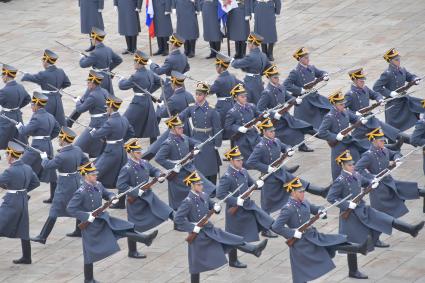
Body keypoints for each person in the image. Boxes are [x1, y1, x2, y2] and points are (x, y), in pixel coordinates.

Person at [327, 150, 425, 279]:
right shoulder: (340, 180)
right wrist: (346, 204)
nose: (352, 166)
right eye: (349, 164)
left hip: (362, 208)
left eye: (352, 163)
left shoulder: (355, 174)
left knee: (384, 218)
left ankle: (410, 229)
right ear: (343, 166)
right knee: (351, 242)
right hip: (350, 214)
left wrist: (372, 181)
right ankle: (353, 270)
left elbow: (365, 181)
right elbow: (331, 198)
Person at [67, 161, 158, 283]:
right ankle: (88, 279)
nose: (96, 176)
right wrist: (86, 216)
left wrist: (111, 198)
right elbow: (71, 209)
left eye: (95, 174)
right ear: (86, 176)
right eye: (93, 174)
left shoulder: (98, 184)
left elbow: (106, 193)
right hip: (91, 224)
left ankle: (144, 238)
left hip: (103, 218)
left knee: (123, 228)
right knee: (89, 252)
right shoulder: (81, 192)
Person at [174, 171, 268, 283]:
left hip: (209, 229)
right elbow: (178, 219)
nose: (201, 186)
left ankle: (253, 249)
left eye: (201, 184)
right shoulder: (187, 202)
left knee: (230, 239)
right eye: (198, 184)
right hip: (198, 236)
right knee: (196, 264)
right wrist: (192, 227)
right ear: (192, 186)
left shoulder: (203, 195)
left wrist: (216, 207)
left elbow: (210, 203)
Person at [272, 177, 368, 283]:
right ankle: (359, 249)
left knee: (338, 240)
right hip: (301, 243)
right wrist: (293, 232)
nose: (303, 193)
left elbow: (315, 208)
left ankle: (359, 250)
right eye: (301, 191)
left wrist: (321, 211)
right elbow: (276, 227)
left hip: (313, 236)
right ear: (293, 192)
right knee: (300, 274)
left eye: (303, 191)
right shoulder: (288, 208)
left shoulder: (304, 201)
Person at [355, 127, 425, 247]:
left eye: (383, 140)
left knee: (413, 189)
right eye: (381, 140)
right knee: (381, 216)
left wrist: (397, 158)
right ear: (374, 141)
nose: (383, 142)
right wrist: (371, 177)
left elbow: (395, 153)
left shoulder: (384, 150)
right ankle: (374, 239)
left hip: (389, 182)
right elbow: (357, 170)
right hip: (378, 188)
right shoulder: (368, 155)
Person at [245, 118, 330, 214]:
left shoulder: (276, 141)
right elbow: (250, 162)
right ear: (264, 132)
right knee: (267, 205)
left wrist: (288, 150)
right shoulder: (260, 146)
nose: (273, 133)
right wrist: (267, 168)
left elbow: (284, 146)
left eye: (274, 131)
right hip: (269, 178)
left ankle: (321, 192)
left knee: (299, 185)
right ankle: (264, 224)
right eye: (270, 131)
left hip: (281, 173)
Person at [217, 146, 274, 267]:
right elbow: (220, 194)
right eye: (238, 160)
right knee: (233, 236)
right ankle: (235, 259)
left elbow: (251, 184)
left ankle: (267, 230)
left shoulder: (243, 171)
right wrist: (235, 200)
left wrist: (258, 184)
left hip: (246, 206)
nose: (241, 162)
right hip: (235, 210)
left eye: (241, 160)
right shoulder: (227, 177)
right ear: (231, 161)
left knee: (260, 217)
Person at [116, 139, 174, 258]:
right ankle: (132, 251)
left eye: (140, 151)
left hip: (148, 195)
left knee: (166, 209)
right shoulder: (127, 168)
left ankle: (181, 221)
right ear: (131, 152)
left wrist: (159, 175)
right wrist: (137, 191)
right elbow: (121, 186)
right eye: (137, 152)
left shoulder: (144, 162)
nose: (140, 153)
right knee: (132, 226)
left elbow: (154, 170)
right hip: (135, 200)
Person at [31, 127, 89, 243]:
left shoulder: (61, 156)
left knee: (55, 209)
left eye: (60, 138)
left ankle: (42, 236)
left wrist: (44, 159)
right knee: (77, 205)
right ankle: (78, 231)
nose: (59, 140)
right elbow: (85, 161)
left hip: (65, 184)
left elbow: (48, 166)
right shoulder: (77, 149)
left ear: (64, 139)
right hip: (76, 180)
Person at [154, 115, 215, 210]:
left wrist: (196, 148)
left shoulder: (184, 137)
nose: (182, 129)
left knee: (201, 189)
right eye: (179, 128)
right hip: (178, 174)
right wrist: (174, 165)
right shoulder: (168, 143)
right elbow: (158, 158)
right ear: (173, 129)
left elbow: (197, 142)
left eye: (182, 127)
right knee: (180, 203)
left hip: (189, 170)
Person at [345, 68, 409, 151]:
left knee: (391, 131)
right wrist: (355, 114)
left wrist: (380, 99)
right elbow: (343, 110)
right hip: (360, 124)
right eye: (361, 81)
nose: (363, 82)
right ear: (354, 80)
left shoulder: (365, 88)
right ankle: (392, 147)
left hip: (370, 119)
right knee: (362, 145)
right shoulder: (350, 94)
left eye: (363, 80)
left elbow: (375, 94)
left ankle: (413, 140)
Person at [258, 64, 316, 152]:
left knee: (302, 125)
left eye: (277, 77)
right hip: (276, 122)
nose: (277, 79)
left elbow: (288, 97)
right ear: (269, 78)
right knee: (292, 132)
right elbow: (259, 109)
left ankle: (306, 142)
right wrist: (273, 113)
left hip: (285, 116)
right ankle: (299, 145)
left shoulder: (281, 87)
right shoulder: (267, 92)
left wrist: (296, 100)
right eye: (275, 78)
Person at [92, 94, 135, 209]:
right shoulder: (124, 119)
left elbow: (97, 134)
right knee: (122, 176)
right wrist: (118, 140)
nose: (106, 109)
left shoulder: (110, 122)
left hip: (111, 151)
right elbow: (131, 132)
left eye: (107, 107)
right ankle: (121, 202)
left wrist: (92, 131)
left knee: (93, 173)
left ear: (111, 107)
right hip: (121, 149)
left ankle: (92, 200)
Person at [0, 142, 40, 264]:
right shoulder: (27, 168)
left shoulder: (9, 171)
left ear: (11, 156)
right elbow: (36, 182)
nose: (6, 157)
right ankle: (27, 257)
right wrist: (21, 190)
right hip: (23, 201)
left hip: (11, 202)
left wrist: (10, 188)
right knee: (23, 229)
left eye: (7, 154)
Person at [18, 92, 60, 203]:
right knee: (51, 171)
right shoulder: (50, 116)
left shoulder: (36, 118)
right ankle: (54, 197)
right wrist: (47, 139)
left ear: (37, 105)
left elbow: (25, 131)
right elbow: (57, 130)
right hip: (48, 146)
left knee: (22, 165)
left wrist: (20, 127)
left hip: (37, 147)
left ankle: (21, 193)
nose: (31, 107)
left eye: (32, 105)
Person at [318, 89, 368, 180]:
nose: (343, 106)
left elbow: (354, 118)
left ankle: (358, 179)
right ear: (334, 104)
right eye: (341, 104)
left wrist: (361, 119)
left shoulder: (345, 112)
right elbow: (321, 132)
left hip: (348, 141)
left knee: (355, 161)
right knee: (338, 169)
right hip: (338, 145)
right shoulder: (329, 117)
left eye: (343, 103)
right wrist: (335, 136)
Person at [179, 82, 222, 184]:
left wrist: (217, 143)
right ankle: (201, 184)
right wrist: (174, 118)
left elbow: (217, 128)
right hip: (196, 138)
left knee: (210, 164)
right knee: (198, 164)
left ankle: (213, 188)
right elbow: (182, 115)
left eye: (200, 94)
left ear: (206, 95)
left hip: (208, 138)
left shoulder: (211, 110)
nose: (198, 96)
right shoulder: (192, 107)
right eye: (197, 94)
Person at [373, 48, 424, 131]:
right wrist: (390, 93)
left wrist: (415, 79)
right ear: (391, 61)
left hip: (404, 99)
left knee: (422, 104)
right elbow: (376, 87)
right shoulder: (387, 74)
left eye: (399, 59)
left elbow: (409, 76)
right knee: (392, 129)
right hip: (394, 103)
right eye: (396, 60)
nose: (399, 61)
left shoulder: (402, 69)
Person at [119, 50, 162, 144]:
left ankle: (119, 142)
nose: (134, 63)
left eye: (135, 61)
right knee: (151, 124)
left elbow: (122, 86)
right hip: (148, 101)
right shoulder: (150, 73)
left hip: (138, 102)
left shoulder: (135, 76)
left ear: (138, 62)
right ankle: (153, 145)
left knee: (125, 122)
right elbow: (160, 81)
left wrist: (121, 80)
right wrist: (148, 91)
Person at [283, 47, 331, 129]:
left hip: (314, 96)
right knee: (304, 123)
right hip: (304, 99)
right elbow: (286, 84)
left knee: (329, 106)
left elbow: (320, 72)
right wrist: (300, 90)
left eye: (308, 57)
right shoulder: (295, 72)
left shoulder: (311, 67)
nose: (308, 59)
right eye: (305, 58)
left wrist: (325, 75)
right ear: (300, 59)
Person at [22, 49, 71, 126]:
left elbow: (33, 78)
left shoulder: (44, 74)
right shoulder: (60, 71)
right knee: (60, 123)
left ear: (45, 61)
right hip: (57, 99)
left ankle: (25, 134)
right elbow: (67, 83)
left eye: (43, 61)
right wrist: (59, 90)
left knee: (38, 120)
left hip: (46, 101)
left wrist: (25, 75)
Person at [72, 71, 108, 158]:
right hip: (105, 120)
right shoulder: (104, 91)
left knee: (78, 145)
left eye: (88, 83)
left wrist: (77, 102)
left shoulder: (93, 96)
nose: (87, 85)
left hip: (96, 124)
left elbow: (80, 109)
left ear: (92, 84)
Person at [79, 27, 123, 96]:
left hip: (97, 79)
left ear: (95, 39)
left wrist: (82, 58)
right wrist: (107, 69)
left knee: (89, 98)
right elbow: (119, 60)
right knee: (107, 98)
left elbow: (83, 65)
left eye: (91, 39)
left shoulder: (94, 53)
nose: (91, 40)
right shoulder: (108, 49)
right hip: (107, 77)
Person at [224, 83, 261, 161]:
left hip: (254, 135)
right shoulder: (232, 112)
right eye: (242, 96)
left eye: (245, 96)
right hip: (242, 139)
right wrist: (238, 128)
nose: (245, 98)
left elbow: (259, 114)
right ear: (235, 98)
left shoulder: (251, 106)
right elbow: (227, 126)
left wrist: (261, 119)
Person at [209, 53, 241, 139]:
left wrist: (204, 86)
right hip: (231, 103)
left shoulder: (219, 80)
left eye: (216, 66)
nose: (216, 68)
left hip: (222, 106)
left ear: (220, 66)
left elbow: (210, 91)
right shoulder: (231, 76)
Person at [231, 32, 269, 104]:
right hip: (259, 81)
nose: (248, 45)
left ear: (252, 44)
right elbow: (266, 67)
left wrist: (233, 61)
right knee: (258, 102)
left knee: (247, 104)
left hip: (250, 83)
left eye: (248, 43)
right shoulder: (263, 55)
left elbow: (236, 65)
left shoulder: (250, 56)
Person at [150, 33, 190, 100]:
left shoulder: (170, 58)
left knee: (164, 103)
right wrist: (179, 74)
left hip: (170, 86)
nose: (169, 45)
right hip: (180, 84)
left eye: (170, 44)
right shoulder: (184, 56)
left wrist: (151, 64)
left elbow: (159, 71)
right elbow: (187, 68)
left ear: (173, 45)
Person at [0, 64, 31, 149]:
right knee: (18, 138)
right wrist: (17, 107)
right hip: (17, 115)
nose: (2, 77)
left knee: (2, 137)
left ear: (6, 75)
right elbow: (28, 99)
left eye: (2, 75)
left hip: (6, 117)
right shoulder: (20, 87)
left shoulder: (4, 91)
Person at [156, 71, 195, 136]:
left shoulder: (173, 99)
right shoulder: (189, 95)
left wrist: (161, 106)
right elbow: (192, 112)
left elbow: (163, 114)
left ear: (173, 84)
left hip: (176, 127)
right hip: (187, 126)